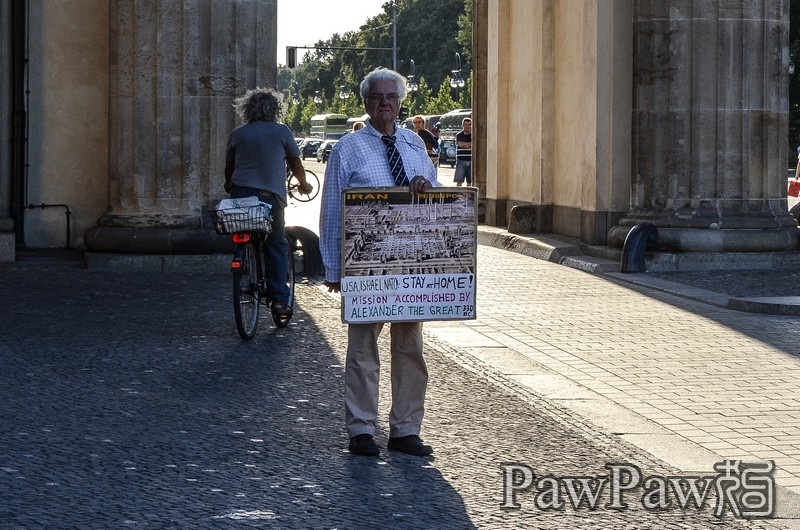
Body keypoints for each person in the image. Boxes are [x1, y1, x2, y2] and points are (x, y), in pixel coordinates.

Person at [319, 68, 440, 457]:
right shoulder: (348, 147)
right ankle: (361, 429)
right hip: (366, 262)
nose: (384, 102)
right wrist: (334, 268)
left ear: (401, 102)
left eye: (391, 96)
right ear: (366, 103)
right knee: (362, 348)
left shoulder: (414, 143)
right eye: (377, 97)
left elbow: (438, 196)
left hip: (411, 260)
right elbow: (334, 206)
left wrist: (426, 186)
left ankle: (406, 429)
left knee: (410, 347)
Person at [224, 87, 313, 319]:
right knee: (276, 244)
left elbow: (230, 167)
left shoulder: (238, 133)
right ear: (275, 110)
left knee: (243, 230)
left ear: (247, 109)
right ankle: (279, 301)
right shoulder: (281, 131)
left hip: (240, 196)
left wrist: (229, 185)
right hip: (269, 197)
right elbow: (295, 163)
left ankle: (244, 260)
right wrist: (304, 184)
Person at [454, 117, 472, 186]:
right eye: (466, 124)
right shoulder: (459, 135)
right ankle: (458, 196)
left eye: (469, 124)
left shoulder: (474, 135)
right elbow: (461, 145)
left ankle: (469, 196)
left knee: (470, 182)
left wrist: (467, 145)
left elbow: (475, 146)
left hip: (471, 161)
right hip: (461, 161)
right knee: (459, 181)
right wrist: (470, 144)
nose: (468, 126)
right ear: (463, 125)